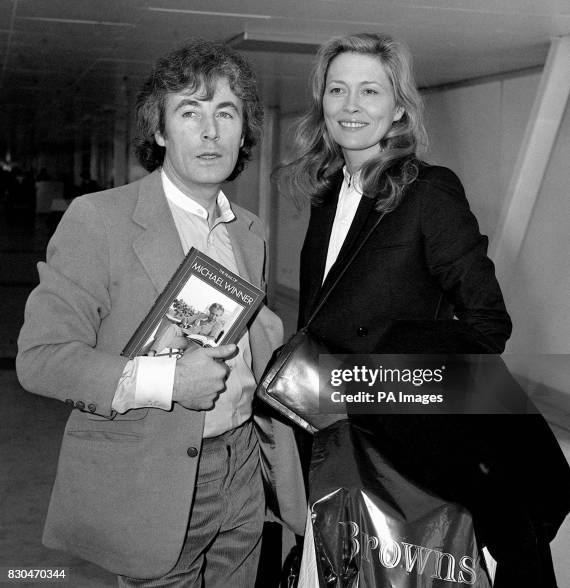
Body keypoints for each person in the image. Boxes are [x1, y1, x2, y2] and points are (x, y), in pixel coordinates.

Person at [281, 33, 569, 586]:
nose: (351, 105)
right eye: (337, 90)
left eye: (370, 91)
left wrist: (366, 382)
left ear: (398, 109)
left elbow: (487, 325)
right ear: (321, 102)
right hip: (340, 442)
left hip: (412, 448)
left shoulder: (428, 191)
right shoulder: (325, 197)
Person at [17, 39, 305, 586]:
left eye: (226, 113)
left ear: (244, 132)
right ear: (159, 130)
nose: (210, 131)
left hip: (243, 470)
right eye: (189, 112)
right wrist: (169, 380)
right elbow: (40, 359)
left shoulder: (249, 230)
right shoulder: (99, 220)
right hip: (152, 477)